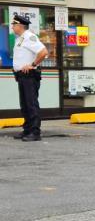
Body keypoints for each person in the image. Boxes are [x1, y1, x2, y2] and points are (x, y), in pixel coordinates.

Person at [11, 14, 48, 142]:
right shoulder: (20, 39)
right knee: (25, 105)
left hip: (29, 76)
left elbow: (43, 52)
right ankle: (27, 129)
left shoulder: (29, 37)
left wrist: (32, 65)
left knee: (31, 104)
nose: (12, 27)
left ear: (20, 26)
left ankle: (35, 132)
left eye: (14, 25)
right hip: (21, 76)